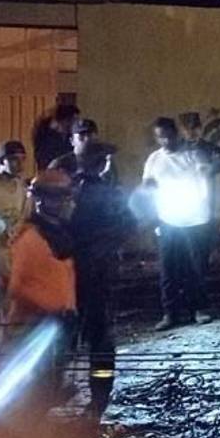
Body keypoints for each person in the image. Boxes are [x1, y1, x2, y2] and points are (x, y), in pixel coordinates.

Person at [67, 145, 134, 419]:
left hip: (72, 275)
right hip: (100, 277)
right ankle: (98, 399)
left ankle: (60, 392)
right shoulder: (110, 195)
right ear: (102, 164)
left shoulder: (71, 192)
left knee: (70, 338)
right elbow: (129, 226)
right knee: (101, 343)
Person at [5, 171, 78, 408]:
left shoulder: (60, 235)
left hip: (58, 321)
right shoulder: (29, 239)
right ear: (39, 199)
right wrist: (53, 308)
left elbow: (63, 277)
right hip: (33, 325)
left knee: (51, 381)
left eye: (64, 198)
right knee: (35, 389)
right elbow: (17, 286)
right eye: (56, 198)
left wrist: (68, 308)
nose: (62, 203)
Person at [142, 117, 216, 331]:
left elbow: (205, 177)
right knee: (168, 268)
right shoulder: (154, 160)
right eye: (160, 137)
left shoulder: (194, 156)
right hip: (168, 218)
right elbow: (148, 184)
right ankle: (170, 313)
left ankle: (199, 308)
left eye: (168, 135)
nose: (165, 140)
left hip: (195, 218)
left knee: (196, 266)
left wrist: (205, 200)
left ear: (176, 133)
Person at [177, 112, 220, 272]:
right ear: (182, 130)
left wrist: (210, 168)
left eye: (195, 128)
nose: (191, 132)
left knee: (205, 228)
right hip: (182, 196)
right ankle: (186, 263)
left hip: (205, 195)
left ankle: (203, 262)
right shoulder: (175, 149)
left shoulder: (210, 148)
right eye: (188, 128)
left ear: (200, 129)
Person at [0, 141, 29, 340]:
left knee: (9, 304)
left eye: (22, 159)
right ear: (1, 161)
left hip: (12, 255)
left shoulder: (21, 189)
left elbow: (24, 218)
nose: (19, 164)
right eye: (13, 159)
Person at [49, 118, 118, 184]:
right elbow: (47, 190)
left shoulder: (103, 162)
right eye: (81, 136)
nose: (87, 139)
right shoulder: (60, 164)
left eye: (90, 135)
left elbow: (115, 185)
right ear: (72, 141)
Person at [31, 103, 80, 174]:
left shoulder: (69, 136)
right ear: (65, 120)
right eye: (74, 120)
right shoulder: (46, 137)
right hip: (52, 175)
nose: (76, 124)